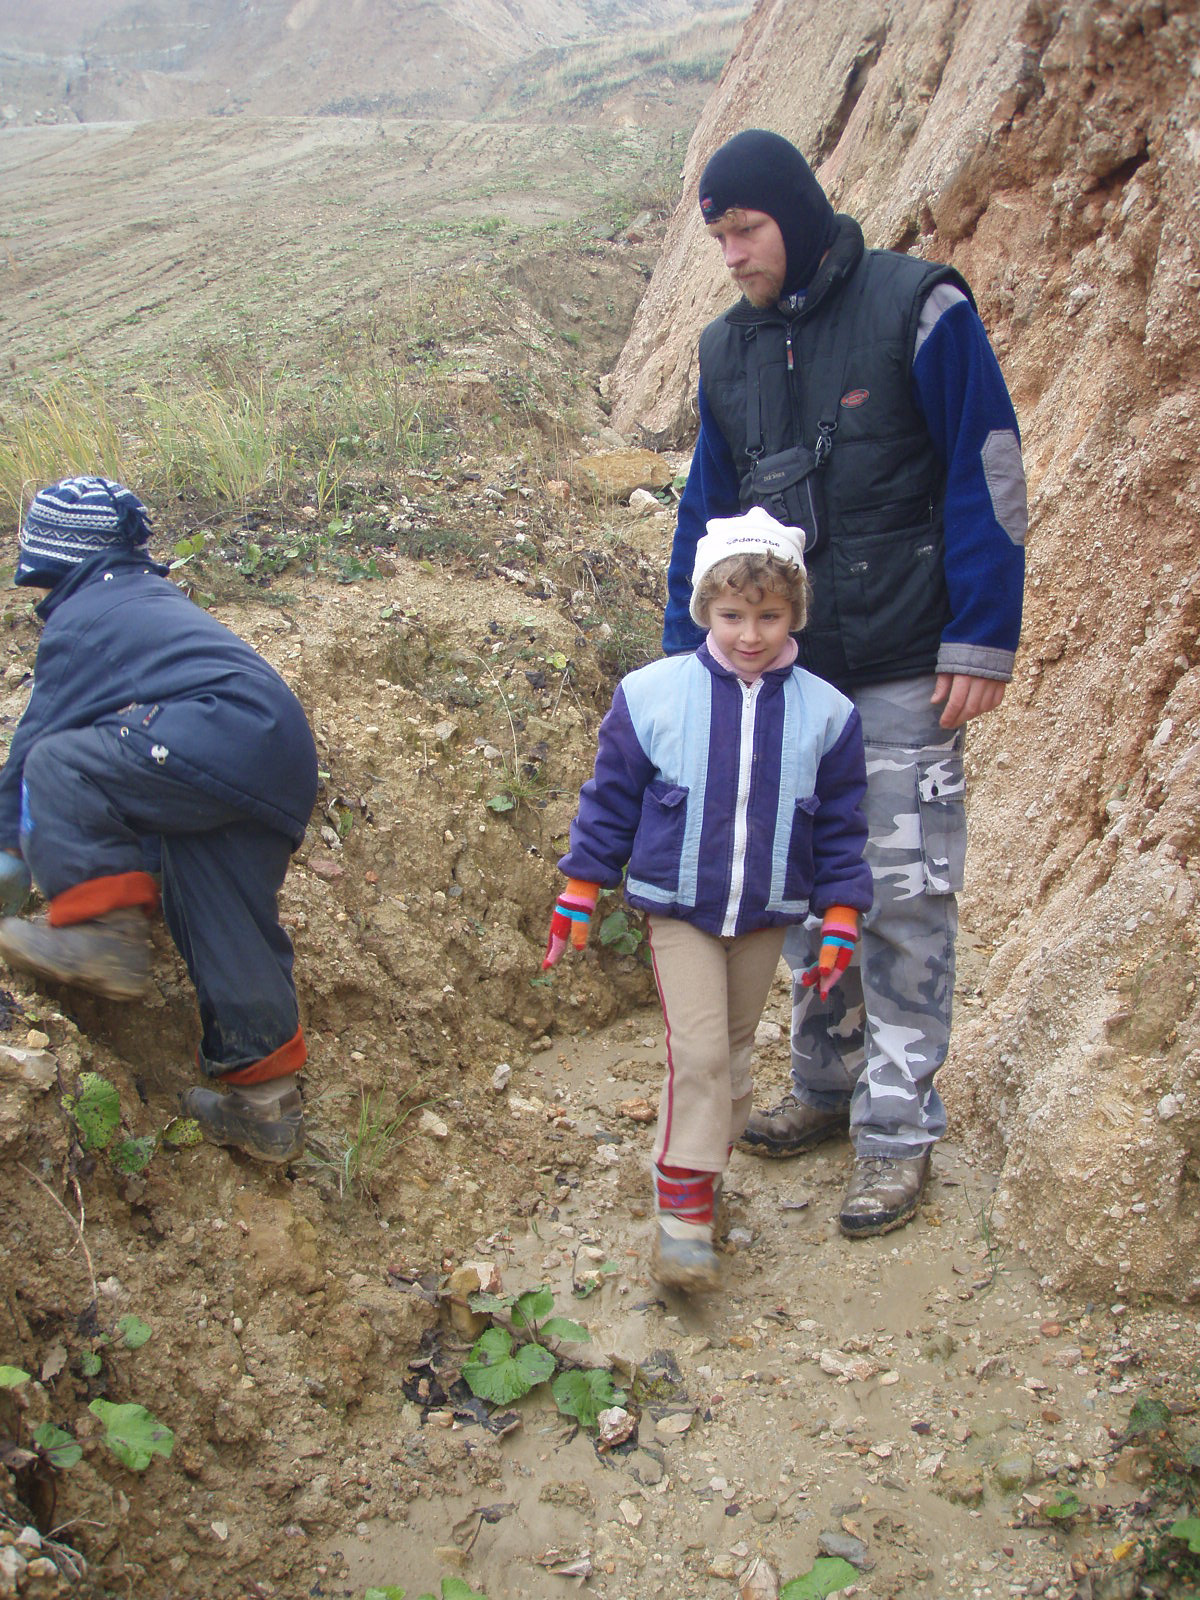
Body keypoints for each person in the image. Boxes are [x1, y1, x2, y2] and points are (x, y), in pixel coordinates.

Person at [663, 128, 1027, 1237]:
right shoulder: (727, 352)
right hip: (791, 687)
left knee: (904, 901)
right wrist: (693, 663)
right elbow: (707, 517)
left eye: (746, 231)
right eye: (717, 237)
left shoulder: (918, 307)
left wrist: (981, 636)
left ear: (798, 215)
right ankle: (826, 1085)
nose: (730, 255)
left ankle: (897, 1131)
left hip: (908, 665)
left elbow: (988, 467)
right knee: (810, 885)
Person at [543, 507, 872, 1293]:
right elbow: (610, 799)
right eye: (731, 615)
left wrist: (840, 915)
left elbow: (843, 825)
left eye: (769, 615)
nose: (749, 634)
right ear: (703, 611)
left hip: (767, 913)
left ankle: (705, 1180)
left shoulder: (828, 713)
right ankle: (683, 1221)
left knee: (730, 1059)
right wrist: (581, 891)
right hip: (679, 909)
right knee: (695, 1054)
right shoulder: (652, 694)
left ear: (795, 613)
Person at [0, 476, 319, 1163]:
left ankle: (97, 934)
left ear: (50, 559)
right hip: (275, 751)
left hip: (219, 734)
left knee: (60, 762)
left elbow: (33, 753)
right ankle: (267, 1110)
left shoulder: (85, 618)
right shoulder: (147, 599)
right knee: (222, 918)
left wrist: (7, 862)